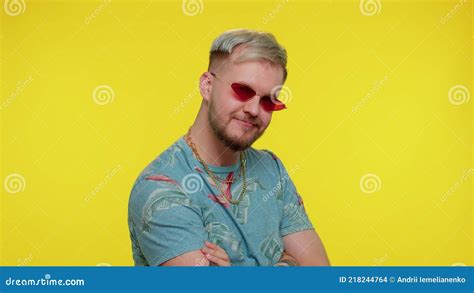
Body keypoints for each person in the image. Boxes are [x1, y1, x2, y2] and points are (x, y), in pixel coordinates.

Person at [128, 28, 330, 266]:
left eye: (268, 101)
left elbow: (320, 276)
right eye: (243, 91)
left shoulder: (271, 168)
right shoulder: (161, 187)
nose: (254, 110)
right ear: (207, 86)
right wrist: (287, 264)